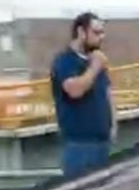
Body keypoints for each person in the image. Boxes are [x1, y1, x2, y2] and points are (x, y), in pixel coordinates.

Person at [50, 12, 116, 179]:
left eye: (102, 33)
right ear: (81, 32)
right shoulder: (65, 61)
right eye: (96, 32)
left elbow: (107, 93)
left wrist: (113, 125)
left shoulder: (95, 60)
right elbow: (74, 90)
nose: (101, 37)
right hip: (79, 146)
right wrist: (95, 66)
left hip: (102, 142)